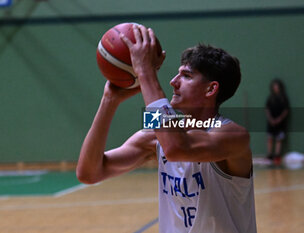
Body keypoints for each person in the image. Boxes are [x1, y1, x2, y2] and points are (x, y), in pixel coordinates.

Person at [77, 24, 257, 233]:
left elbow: (176, 148)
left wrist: (145, 71)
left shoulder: (233, 135)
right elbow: (88, 173)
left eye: (186, 76)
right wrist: (109, 100)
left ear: (211, 89)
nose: (173, 82)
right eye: (177, 75)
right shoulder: (159, 134)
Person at [265, 79, 290, 165]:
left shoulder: (283, 98)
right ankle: (270, 155)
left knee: (279, 139)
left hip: (280, 123)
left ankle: (277, 155)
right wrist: (270, 119)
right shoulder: (271, 98)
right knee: (270, 138)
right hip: (271, 122)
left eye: (277, 86)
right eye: (274, 86)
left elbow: (286, 110)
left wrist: (279, 119)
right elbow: (267, 109)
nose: (275, 88)